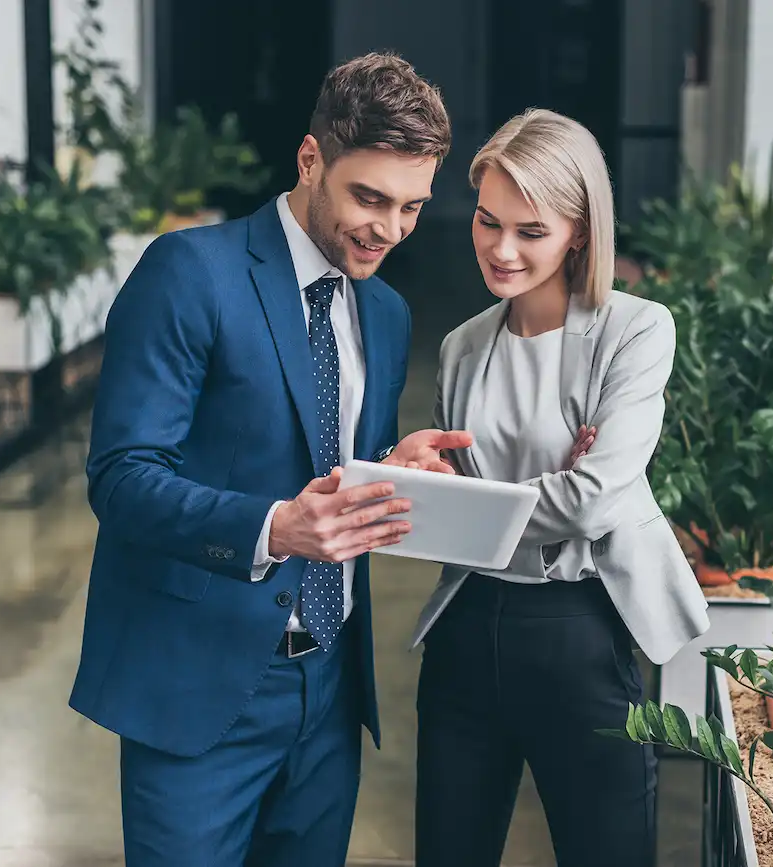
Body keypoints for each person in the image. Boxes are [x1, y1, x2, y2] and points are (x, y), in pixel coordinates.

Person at [69, 53, 469, 867]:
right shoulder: (190, 273)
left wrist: (394, 465)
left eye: (413, 207)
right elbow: (121, 477)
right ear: (311, 159)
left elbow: (330, 463)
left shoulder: (385, 313)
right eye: (370, 198)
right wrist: (275, 526)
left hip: (328, 690)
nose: (388, 229)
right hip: (200, 687)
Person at [411, 108, 712, 866]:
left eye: (530, 230)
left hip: (581, 628)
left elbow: (593, 502)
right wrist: (555, 484)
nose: (500, 248)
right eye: (487, 221)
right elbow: (459, 508)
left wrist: (508, 499)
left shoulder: (635, 331)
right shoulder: (461, 347)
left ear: (579, 230)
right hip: (468, 626)